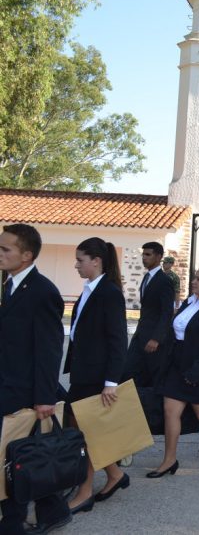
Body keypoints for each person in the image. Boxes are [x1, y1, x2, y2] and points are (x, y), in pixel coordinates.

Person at [0, 224, 71, 534]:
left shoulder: (43, 292)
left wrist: (44, 397)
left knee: (13, 459)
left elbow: (49, 349)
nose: (0, 254)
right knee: (23, 456)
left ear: (26, 255)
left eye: (6, 249)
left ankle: (13, 524)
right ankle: (53, 510)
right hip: (8, 384)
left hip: (26, 392)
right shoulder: (11, 285)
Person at [63, 237, 129, 514]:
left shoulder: (109, 293)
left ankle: (85, 491)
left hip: (97, 377)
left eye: (80, 259)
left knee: (86, 433)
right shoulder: (90, 289)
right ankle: (114, 474)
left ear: (96, 261)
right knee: (83, 431)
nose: (76, 264)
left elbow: (117, 340)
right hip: (83, 372)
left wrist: (111, 382)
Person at [148, 267, 199, 478]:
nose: (194, 282)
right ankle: (169, 459)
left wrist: (195, 373)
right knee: (170, 412)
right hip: (177, 367)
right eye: (194, 278)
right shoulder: (188, 302)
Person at [124, 242, 174, 387]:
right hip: (140, 334)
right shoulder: (146, 278)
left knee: (152, 377)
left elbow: (167, 312)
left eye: (148, 255)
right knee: (128, 373)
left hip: (153, 340)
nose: (144, 258)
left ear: (159, 257)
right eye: (143, 255)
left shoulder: (164, 281)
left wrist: (156, 338)